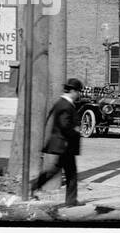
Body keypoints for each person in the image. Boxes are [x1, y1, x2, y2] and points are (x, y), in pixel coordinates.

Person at [32, 77, 84, 207]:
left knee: (57, 170)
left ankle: (34, 185)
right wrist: (76, 130)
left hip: (63, 145)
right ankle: (70, 201)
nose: (79, 94)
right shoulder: (65, 105)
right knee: (70, 173)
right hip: (65, 145)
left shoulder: (62, 103)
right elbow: (64, 124)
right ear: (72, 91)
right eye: (78, 91)